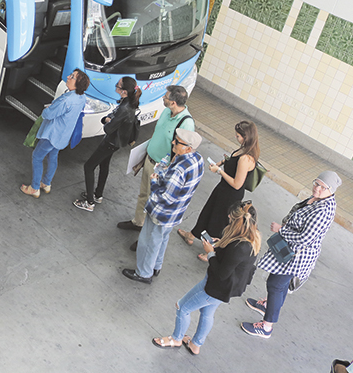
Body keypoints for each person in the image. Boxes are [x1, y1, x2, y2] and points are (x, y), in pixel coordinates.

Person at [152, 201, 260, 354]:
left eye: (231, 218)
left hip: (215, 287)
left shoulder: (238, 247)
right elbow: (232, 260)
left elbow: (222, 273)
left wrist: (210, 253)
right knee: (207, 313)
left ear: (238, 222)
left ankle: (176, 339)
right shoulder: (252, 238)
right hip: (226, 289)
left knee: (182, 307)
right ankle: (195, 344)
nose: (228, 218)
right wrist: (219, 244)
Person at [241, 170, 339, 338]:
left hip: (297, 255)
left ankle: (266, 327)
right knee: (281, 285)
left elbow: (305, 238)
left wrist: (281, 230)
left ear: (331, 190)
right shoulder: (318, 199)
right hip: (289, 249)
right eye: (316, 183)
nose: (317, 188)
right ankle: (268, 305)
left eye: (323, 187)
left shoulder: (323, 210)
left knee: (275, 284)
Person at [122, 128, 204, 284]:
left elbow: (165, 197)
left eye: (177, 142)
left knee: (148, 241)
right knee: (162, 238)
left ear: (188, 148)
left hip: (161, 212)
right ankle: (156, 266)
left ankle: (144, 273)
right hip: (175, 213)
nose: (173, 142)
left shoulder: (179, 169)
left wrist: (154, 181)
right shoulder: (197, 159)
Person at [178, 120, 259, 261]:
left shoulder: (246, 158)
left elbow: (237, 184)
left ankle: (212, 251)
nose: (236, 138)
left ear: (246, 137)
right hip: (223, 190)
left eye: (238, 136)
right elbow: (233, 162)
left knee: (218, 222)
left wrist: (219, 171)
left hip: (230, 195)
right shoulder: (244, 150)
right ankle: (192, 235)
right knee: (208, 212)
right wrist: (222, 162)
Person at [118, 85, 195, 235]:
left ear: (173, 102)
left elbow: (183, 153)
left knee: (154, 203)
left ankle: (145, 236)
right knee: (143, 194)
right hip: (149, 160)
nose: (163, 98)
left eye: (165, 97)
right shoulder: (166, 111)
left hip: (162, 170)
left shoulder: (186, 124)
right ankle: (138, 222)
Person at [73, 77, 141, 212]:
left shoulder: (124, 108)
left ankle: (89, 202)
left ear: (124, 91)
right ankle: (98, 194)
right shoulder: (129, 103)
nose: (116, 85)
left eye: (118, 84)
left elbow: (108, 129)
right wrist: (110, 119)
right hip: (116, 142)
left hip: (110, 141)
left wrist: (107, 120)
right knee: (104, 165)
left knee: (89, 167)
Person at [21, 69, 89, 199]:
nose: (68, 77)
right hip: (63, 136)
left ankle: (34, 187)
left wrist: (48, 108)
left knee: (37, 157)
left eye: (72, 76)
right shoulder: (82, 97)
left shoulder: (66, 101)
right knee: (53, 156)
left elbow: (48, 114)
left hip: (51, 135)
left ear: (78, 83)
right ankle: (46, 183)